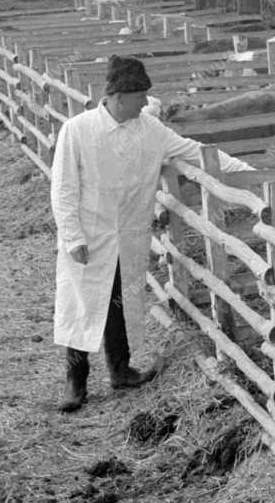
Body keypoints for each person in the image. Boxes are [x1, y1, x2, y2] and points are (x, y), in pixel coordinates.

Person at [50, 54, 253, 413]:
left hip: (128, 233)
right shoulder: (78, 130)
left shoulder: (150, 130)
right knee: (83, 304)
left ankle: (121, 370)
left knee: (120, 302)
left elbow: (195, 152)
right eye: (141, 95)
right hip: (89, 234)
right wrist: (72, 237)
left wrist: (251, 175)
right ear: (119, 96)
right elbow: (63, 188)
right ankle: (74, 383)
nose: (146, 102)